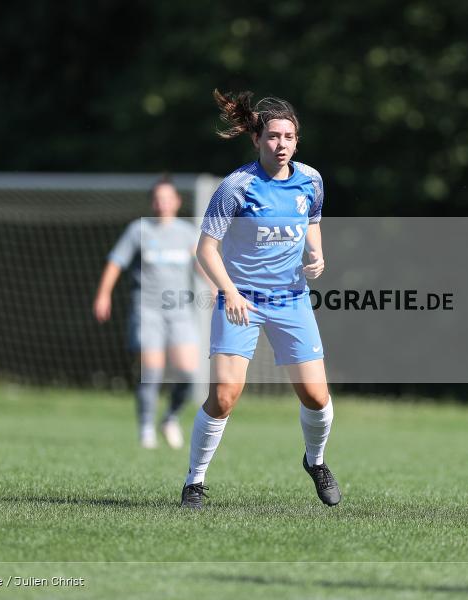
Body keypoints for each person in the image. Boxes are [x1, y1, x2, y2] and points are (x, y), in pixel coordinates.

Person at [178, 89, 340, 510]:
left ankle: (316, 461)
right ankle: (194, 483)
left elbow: (312, 221)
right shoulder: (236, 186)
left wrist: (316, 255)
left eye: (288, 137)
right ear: (257, 140)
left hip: (291, 299)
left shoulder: (312, 179)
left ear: (297, 140)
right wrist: (229, 291)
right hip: (242, 299)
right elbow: (205, 250)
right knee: (226, 395)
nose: (281, 144)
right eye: (272, 136)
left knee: (316, 397)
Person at [93, 180, 202, 450]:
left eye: (167, 198)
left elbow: (204, 266)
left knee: (189, 374)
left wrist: (224, 292)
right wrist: (103, 294)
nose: (162, 203)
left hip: (180, 312)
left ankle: (170, 418)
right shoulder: (138, 230)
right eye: (157, 198)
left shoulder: (187, 233)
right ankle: (145, 428)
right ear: (152, 202)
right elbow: (115, 263)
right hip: (147, 310)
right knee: (151, 372)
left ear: (177, 201)